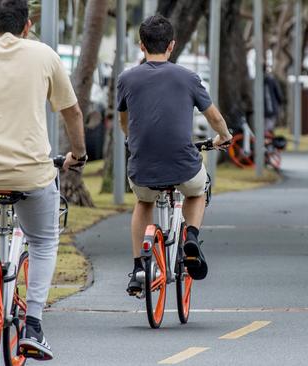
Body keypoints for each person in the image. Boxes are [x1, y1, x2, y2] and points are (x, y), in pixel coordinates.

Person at [0, 0, 86, 360]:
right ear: (28, 26)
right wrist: (80, 153)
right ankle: (34, 325)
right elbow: (71, 111)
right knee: (43, 241)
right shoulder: (45, 55)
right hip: (32, 171)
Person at [117, 15, 233, 296]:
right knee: (197, 191)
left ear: (141, 45)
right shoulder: (188, 77)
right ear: (171, 46)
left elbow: (124, 118)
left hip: (142, 166)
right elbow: (214, 117)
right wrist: (224, 137)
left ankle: (137, 269)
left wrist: (130, 139)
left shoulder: (126, 78)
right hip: (182, 165)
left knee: (143, 202)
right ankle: (191, 237)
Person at [264, 65, 284, 133]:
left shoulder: (258, 80)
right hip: (271, 109)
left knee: (266, 129)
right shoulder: (272, 80)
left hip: (265, 110)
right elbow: (278, 95)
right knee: (269, 129)